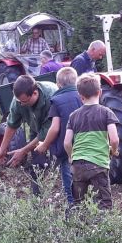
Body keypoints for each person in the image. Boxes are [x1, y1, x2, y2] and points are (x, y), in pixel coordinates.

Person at [63, 74, 119, 209]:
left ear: (80, 95)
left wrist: (71, 156)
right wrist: (114, 150)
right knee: (104, 203)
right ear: (99, 92)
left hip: (78, 165)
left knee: (79, 204)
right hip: (98, 164)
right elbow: (115, 138)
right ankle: (104, 228)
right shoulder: (106, 112)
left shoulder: (73, 116)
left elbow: (66, 142)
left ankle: (79, 229)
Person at [34, 67, 82, 205]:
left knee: (69, 180)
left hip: (67, 149)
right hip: (87, 147)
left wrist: (44, 144)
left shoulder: (56, 100)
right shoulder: (84, 96)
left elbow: (54, 128)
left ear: (58, 84)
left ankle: (71, 209)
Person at [0, 74, 58, 168]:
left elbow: (46, 132)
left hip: (54, 128)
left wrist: (23, 151)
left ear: (35, 93)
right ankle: (38, 172)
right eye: (19, 101)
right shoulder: (18, 100)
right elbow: (11, 124)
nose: (21, 104)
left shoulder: (51, 97)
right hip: (35, 126)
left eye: (24, 101)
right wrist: (2, 149)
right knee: (37, 161)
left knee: (57, 159)